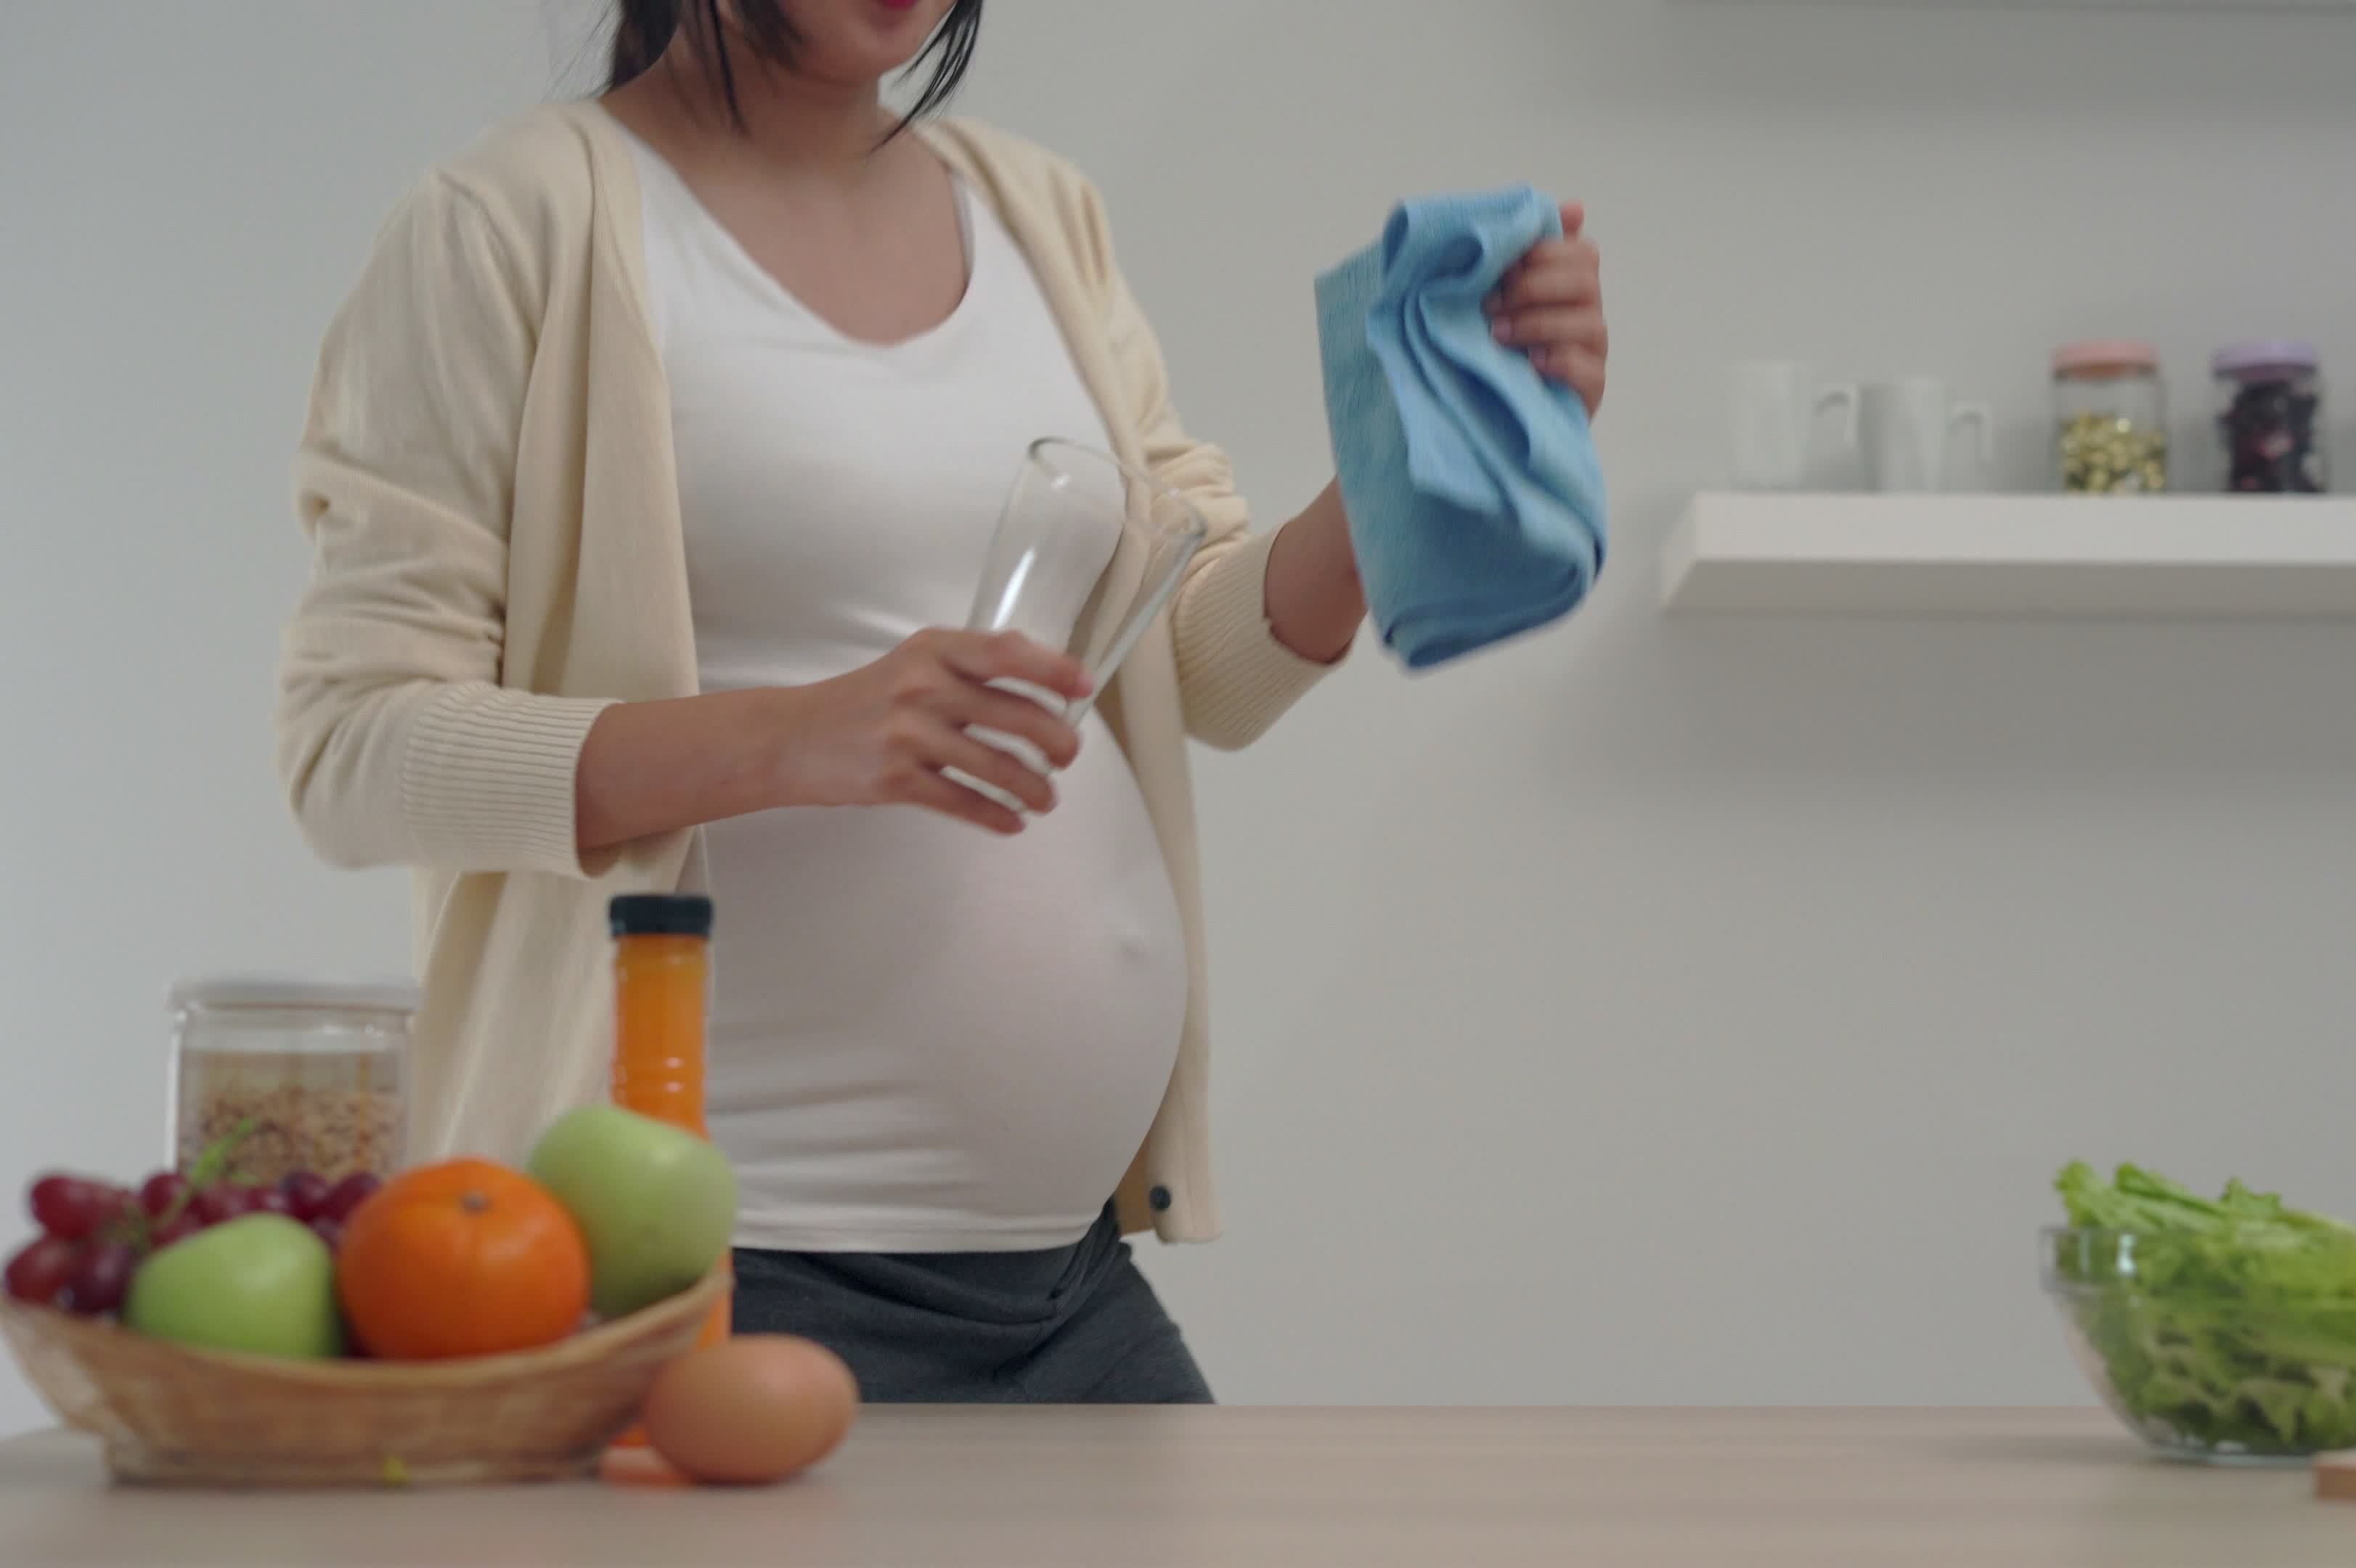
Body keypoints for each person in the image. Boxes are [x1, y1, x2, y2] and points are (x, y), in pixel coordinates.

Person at [274, 0, 1610, 1403]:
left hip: (1067, 1281)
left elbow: (1188, 662)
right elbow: (351, 746)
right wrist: (797, 734)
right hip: (706, 1273)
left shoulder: (1039, 211)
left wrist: (1426, 446)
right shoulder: (507, 223)